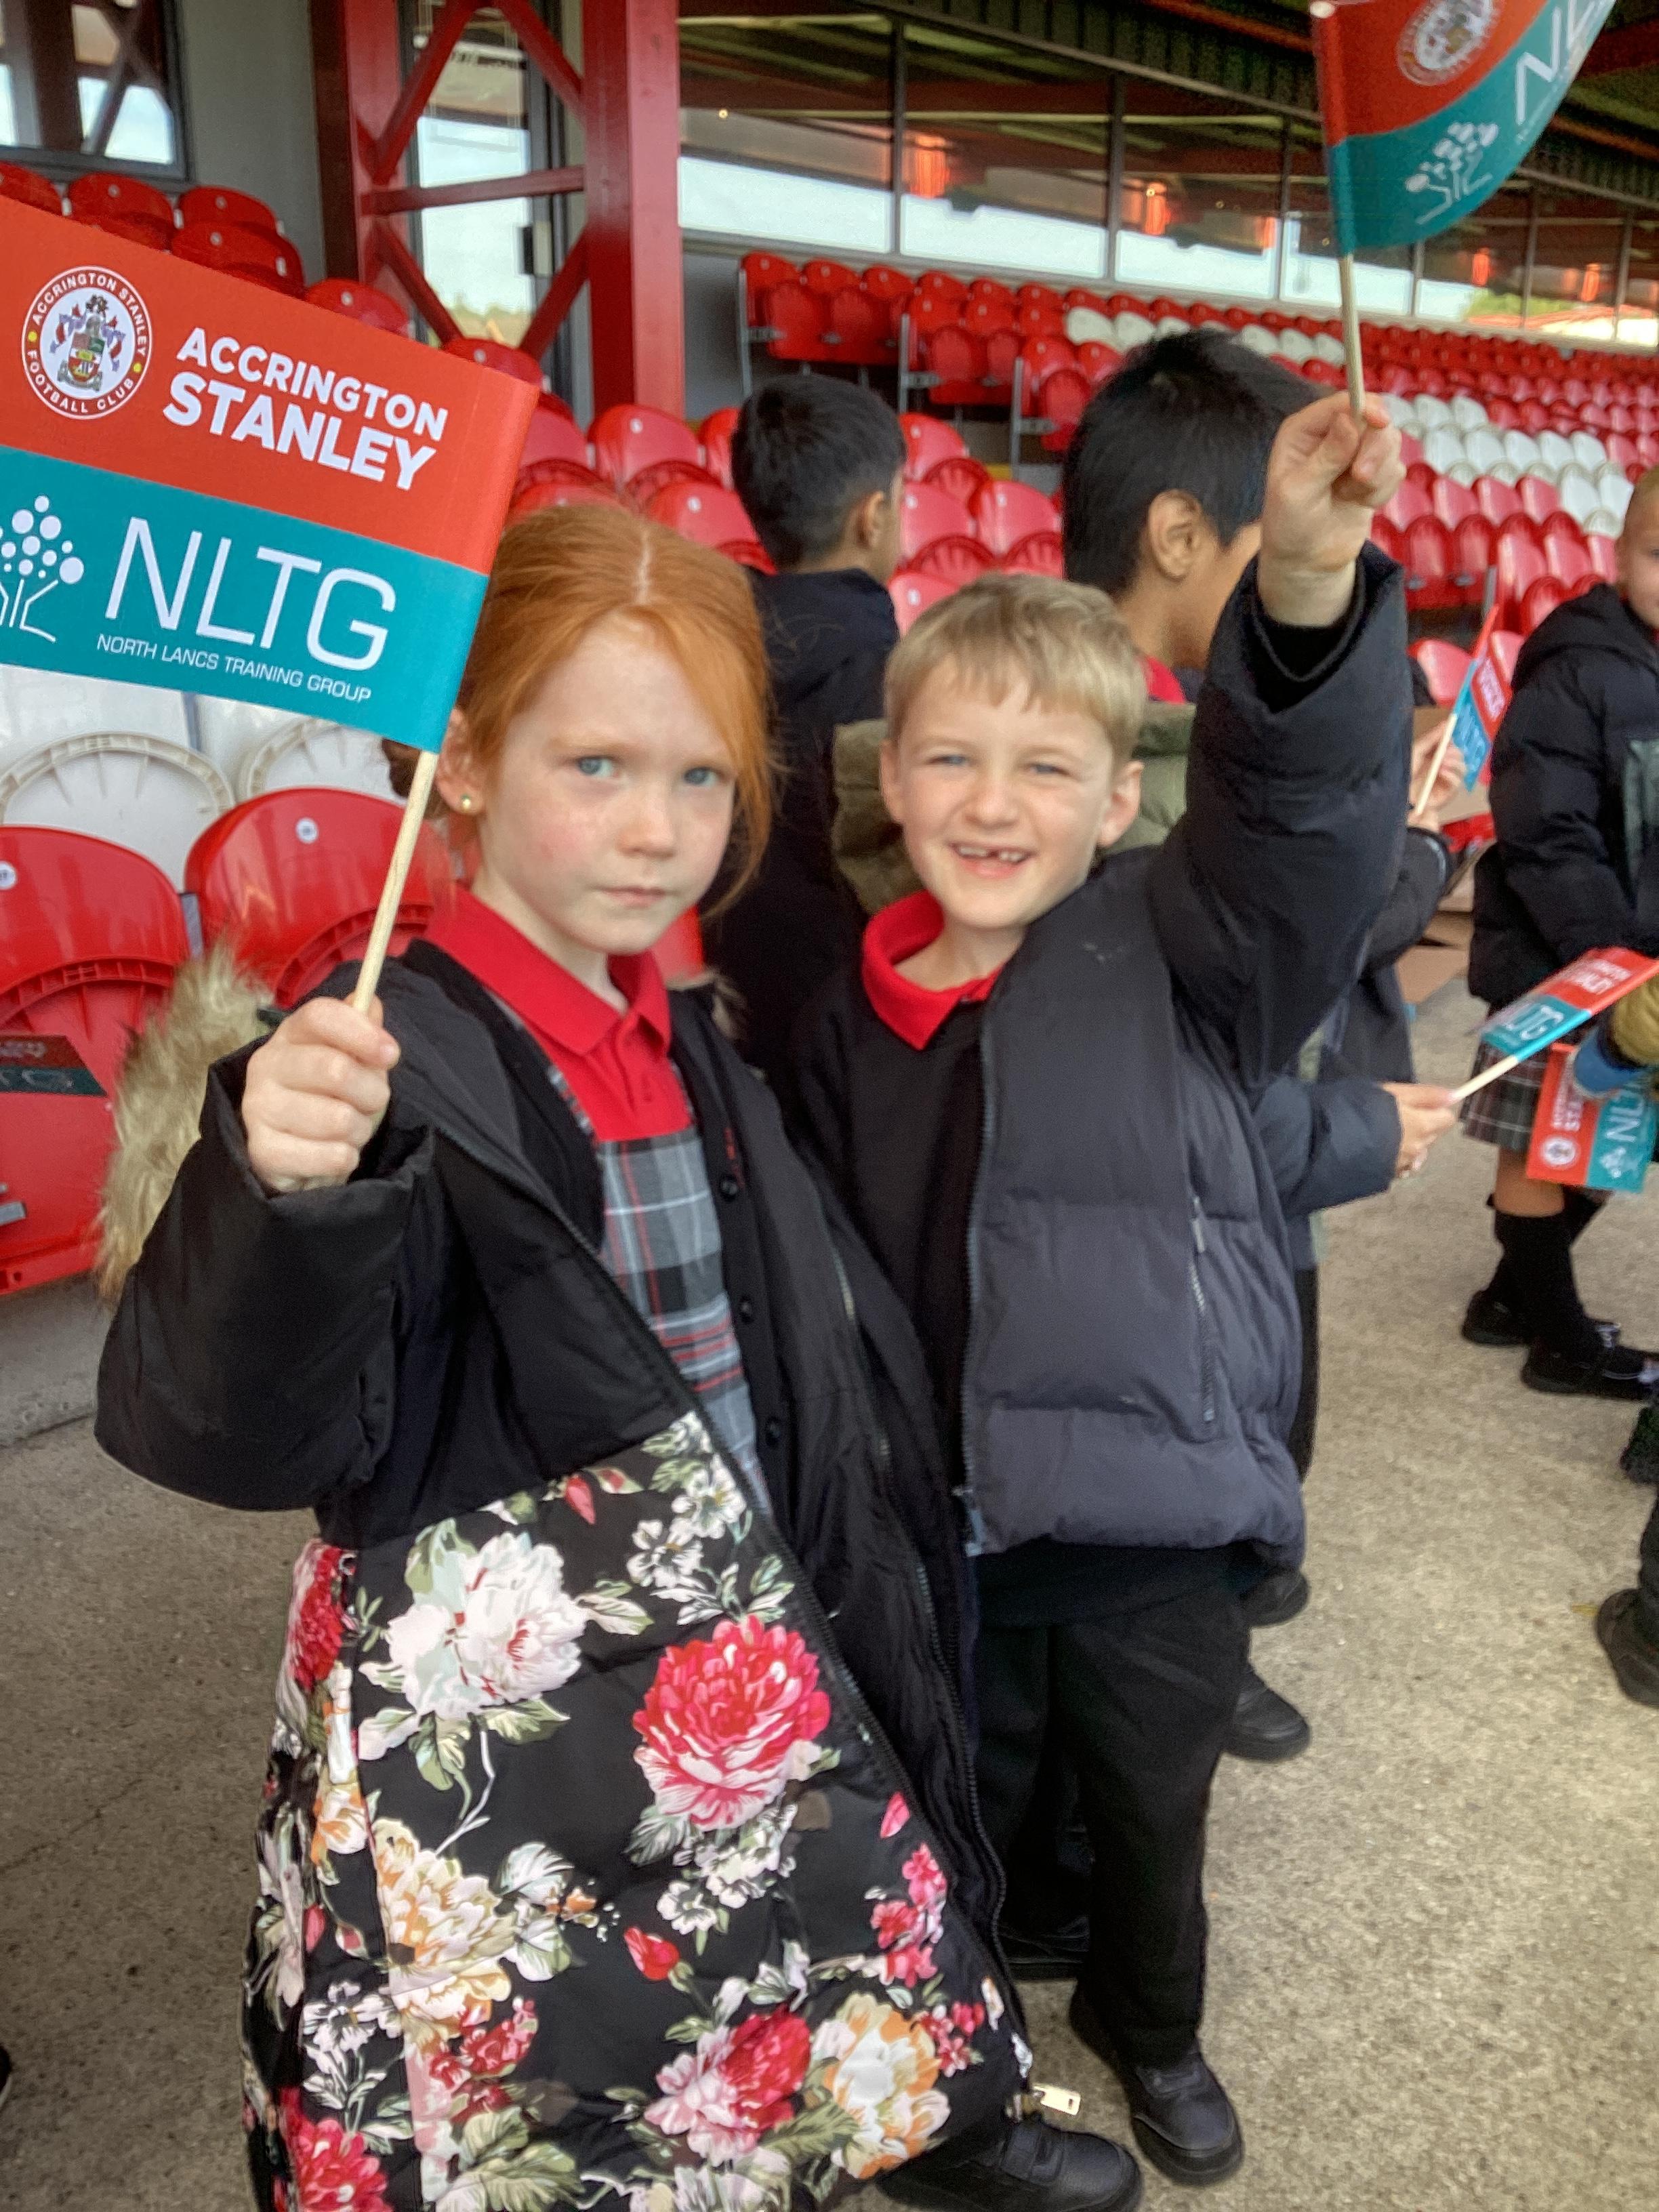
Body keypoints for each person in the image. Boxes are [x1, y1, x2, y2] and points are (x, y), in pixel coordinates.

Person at [94, 506, 1141, 2212]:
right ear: (465, 759)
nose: (656, 831)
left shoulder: (684, 1028)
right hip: (533, 1699)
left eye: (699, 778)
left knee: (754, 1923)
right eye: (595, 765)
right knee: (560, 2036)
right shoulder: (377, 1066)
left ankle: (907, 2112)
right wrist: (280, 1195)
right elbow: (235, 1427)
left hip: (732, 1603)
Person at [795, 391, 1412, 2188]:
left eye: (1048, 767)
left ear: (1125, 798)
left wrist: (1308, 589)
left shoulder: (1183, 944)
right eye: (952, 760)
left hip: (1159, 1519)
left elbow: (1300, 822)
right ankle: (992, 2013)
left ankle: (1156, 2026)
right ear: (891, 779)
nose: (994, 804)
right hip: (954, 1527)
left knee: (1155, 1804)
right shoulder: (839, 1009)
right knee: (976, 1797)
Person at [1061, 328, 1457, 1756]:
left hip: (1253, 1174)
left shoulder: (1175, 733)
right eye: (1278, 545)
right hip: (1202, 1199)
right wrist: (1412, 860)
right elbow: (1289, 944)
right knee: (1201, 1440)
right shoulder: (1114, 765)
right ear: (1181, 537)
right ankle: (1193, 1657)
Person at [1460, 468, 1659, 1396]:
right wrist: (1611, 958)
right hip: (1560, 957)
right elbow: (1546, 829)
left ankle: (1510, 1300)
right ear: (1619, 555)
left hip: (1638, 963)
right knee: (1536, 1144)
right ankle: (1561, 1343)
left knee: (1602, 1138)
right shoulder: (1577, 668)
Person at [701, 373, 906, 1113]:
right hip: (861, 1063)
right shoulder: (894, 686)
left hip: (725, 1048)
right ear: (873, 516)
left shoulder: (705, 656)